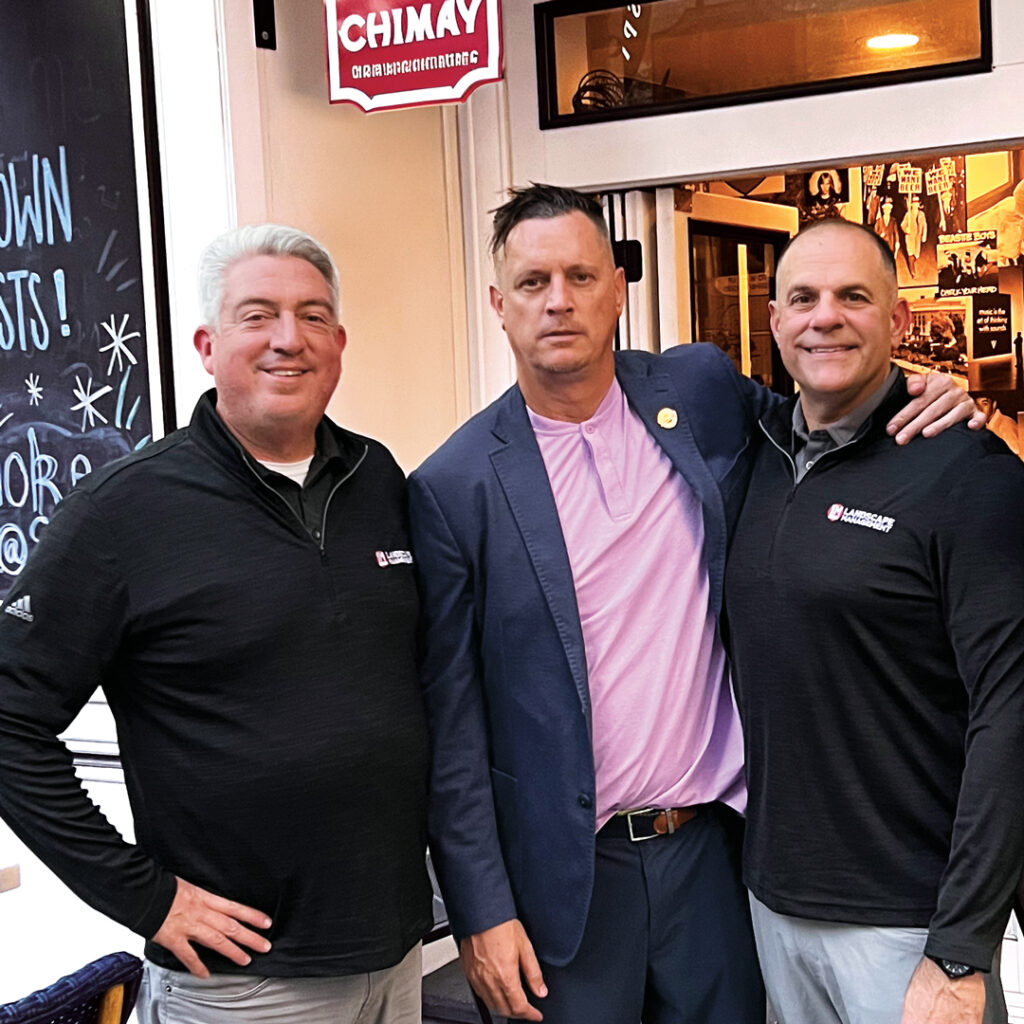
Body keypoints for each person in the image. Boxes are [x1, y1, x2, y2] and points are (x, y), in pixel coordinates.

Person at [407, 185, 980, 1024]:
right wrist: (479, 913)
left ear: (618, 287)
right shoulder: (453, 485)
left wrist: (927, 390)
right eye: (533, 282)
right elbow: (450, 724)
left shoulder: (700, 390)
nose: (558, 301)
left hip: (715, 857)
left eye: (579, 275)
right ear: (499, 303)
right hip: (566, 883)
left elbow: (827, 419)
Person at [0, 225, 433, 1023]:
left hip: (399, 955)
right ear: (206, 344)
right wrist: (148, 899)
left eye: (311, 316)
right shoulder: (123, 512)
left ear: (339, 342)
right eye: (256, 315)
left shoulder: (378, 478)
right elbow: (8, 721)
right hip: (244, 983)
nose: (287, 340)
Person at [725, 218, 1024, 1024]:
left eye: (854, 296)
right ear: (776, 321)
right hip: (774, 905)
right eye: (803, 298)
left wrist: (962, 946)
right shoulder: (749, 458)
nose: (826, 316)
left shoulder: (969, 473)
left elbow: (1012, 712)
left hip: (908, 924)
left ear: (897, 323)